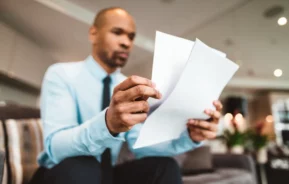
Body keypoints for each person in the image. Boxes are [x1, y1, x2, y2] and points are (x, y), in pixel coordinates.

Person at [30, 7, 222, 184]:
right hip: (61, 172)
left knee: (165, 167)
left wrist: (189, 137)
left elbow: (139, 147)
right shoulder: (61, 74)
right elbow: (55, 147)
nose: (126, 42)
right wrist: (107, 124)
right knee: (83, 167)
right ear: (93, 33)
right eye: (117, 32)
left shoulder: (130, 86)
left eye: (131, 37)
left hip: (107, 175)